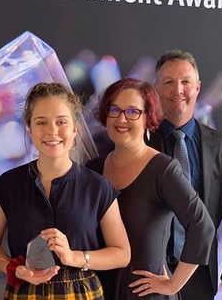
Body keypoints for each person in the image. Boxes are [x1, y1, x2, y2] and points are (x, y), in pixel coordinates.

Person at [0, 82, 130, 299]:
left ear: (75, 128)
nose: (51, 131)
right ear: (30, 129)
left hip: (82, 293)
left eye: (61, 122)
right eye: (41, 122)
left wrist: (74, 257)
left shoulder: (98, 186)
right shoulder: (8, 184)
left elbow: (121, 254)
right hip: (25, 292)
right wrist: (14, 269)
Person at [86, 78, 215, 300]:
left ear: (148, 118)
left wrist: (174, 284)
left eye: (133, 111)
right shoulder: (93, 168)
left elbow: (202, 226)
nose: (122, 118)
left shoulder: (163, 169)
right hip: (99, 290)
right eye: (114, 109)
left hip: (145, 294)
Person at [147, 50, 222, 299]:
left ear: (197, 87)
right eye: (168, 82)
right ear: (156, 88)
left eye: (185, 82)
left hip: (200, 273)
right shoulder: (139, 142)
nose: (178, 90)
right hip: (150, 271)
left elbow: (216, 214)